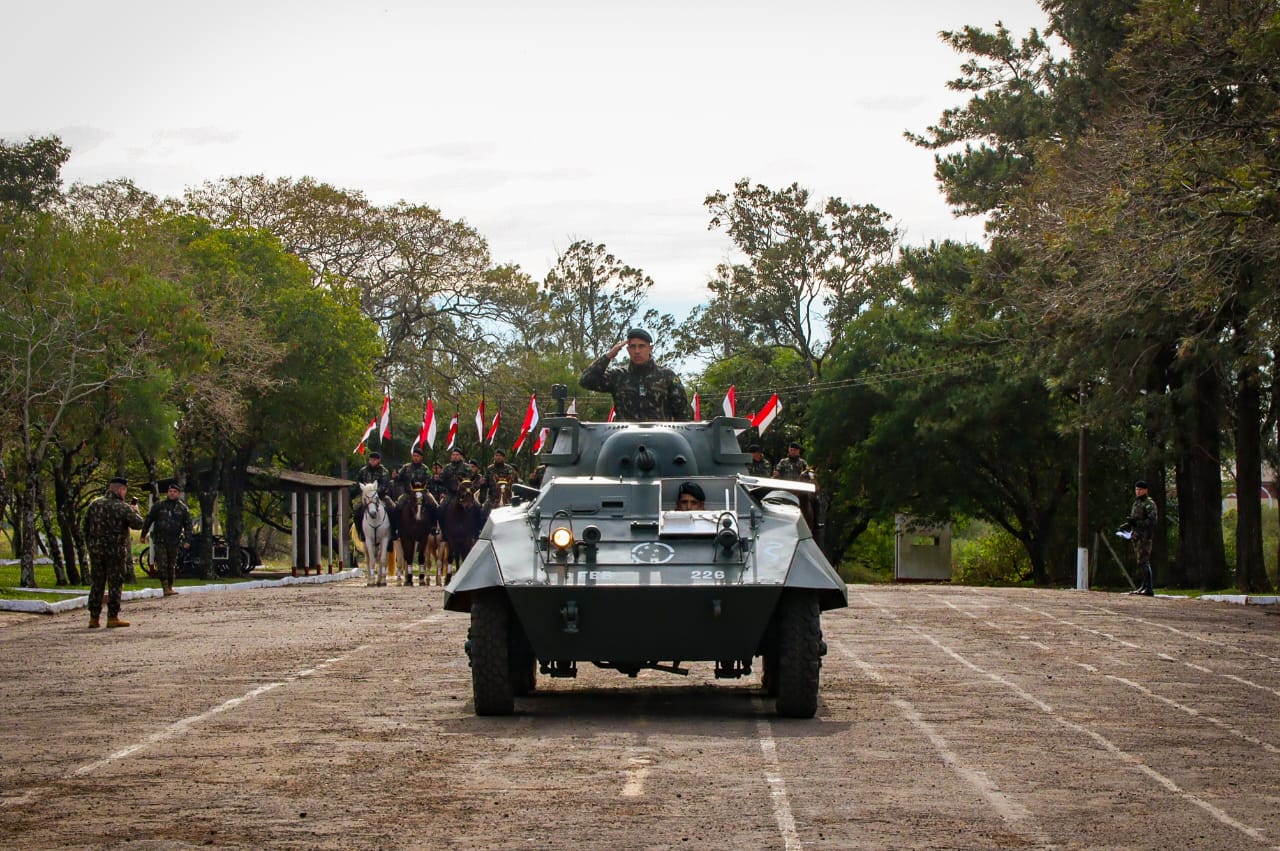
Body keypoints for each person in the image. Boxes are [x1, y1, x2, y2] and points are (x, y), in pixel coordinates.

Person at [579, 328, 690, 421]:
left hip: (659, 441)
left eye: (641, 346)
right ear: (628, 349)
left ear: (650, 348)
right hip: (625, 440)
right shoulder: (618, 376)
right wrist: (608, 356)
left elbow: (682, 413)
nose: (637, 351)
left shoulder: (668, 376)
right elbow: (585, 381)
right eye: (633, 346)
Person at [83, 476, 145, 628]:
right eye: (125, 490)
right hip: (115, 551)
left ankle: (94, 617)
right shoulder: (122, 507)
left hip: (96, 550)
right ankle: (112, 617)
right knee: (115, 582)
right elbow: (138, 524)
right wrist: (135, 511)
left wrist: (91, 544)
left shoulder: (94, 504)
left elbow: (84, 527)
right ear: (121, 489)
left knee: (97, 582)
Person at [140, 482, 194, 597]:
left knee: (171, 564)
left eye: (174, 492)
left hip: (174, 541)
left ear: (178, 494)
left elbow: (188, 525)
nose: (172, 493)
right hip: (160, 540)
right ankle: (165, 587)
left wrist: (187, 540)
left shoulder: (183, 509)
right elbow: (148, 520)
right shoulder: (159, 506)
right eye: (170, 491)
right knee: (162, 563)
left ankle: (170, 586)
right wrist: (143, 534)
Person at [1122, 480, 1158, 596]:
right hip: (1136, 536)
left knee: (1144, 561)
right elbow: (1134, 518)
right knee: (1140, 561)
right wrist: (1128, 524)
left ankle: (1149, 587)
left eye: (1140, 489)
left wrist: (1137, 523)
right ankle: (1144, 585)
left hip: (1145, 536)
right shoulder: (1136, 503)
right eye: (1136, 489)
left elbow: (1152, 521)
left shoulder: (1149, 503)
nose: (1138, 492)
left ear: (1145, 490)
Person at [352, 451, 396, 541]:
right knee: (356, 510)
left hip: (381, 496)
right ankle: (360, 532)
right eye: (371, 459)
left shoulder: (384, 471)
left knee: (392, 509)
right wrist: (365, 492)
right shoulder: (363, 470)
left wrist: (375, 493)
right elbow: (358, 482)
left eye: (374, 460)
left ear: (379, 460)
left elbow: (385, 484)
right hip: (366, 497)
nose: (372, 461)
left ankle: (393, 532)